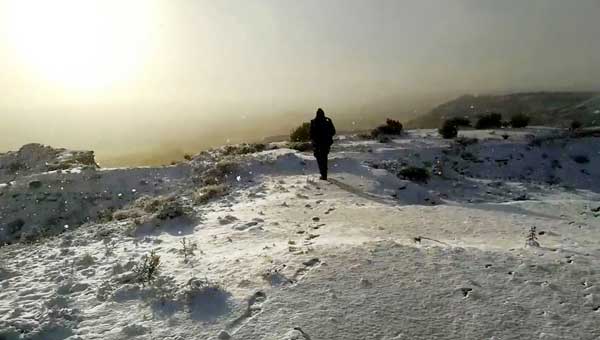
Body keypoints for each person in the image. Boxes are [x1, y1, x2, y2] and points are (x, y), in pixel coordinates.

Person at [310, 108, 336, 180]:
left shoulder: (314, 122)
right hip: (325, 144)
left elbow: (311, 134)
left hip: (318, 145)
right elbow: (333, 132)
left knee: (320, 159)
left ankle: (323, 174)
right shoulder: (327, 121)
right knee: (324, 159)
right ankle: (324, 174)